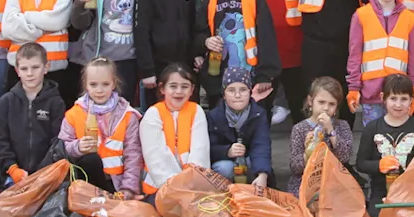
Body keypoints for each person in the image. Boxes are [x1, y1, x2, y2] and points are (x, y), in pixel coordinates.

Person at [195, 0, 280, 107]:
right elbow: (199, 33)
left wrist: (265, 75)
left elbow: (267, 36)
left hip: (252, 77)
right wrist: (206, 42)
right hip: (220, 80)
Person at [347, 0, 414, 127]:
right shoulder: (361, 15)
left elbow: (413, 57)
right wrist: (353, 87)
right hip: (370, 92)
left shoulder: (409, 18)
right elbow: (354, 55)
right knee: (373, 140)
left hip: (399, 93)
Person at [61, 58, 144, 197]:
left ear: (114, 84)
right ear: (85, 85)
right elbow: (62, 150)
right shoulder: (73, 114)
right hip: (85, 183)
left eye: (105, 84)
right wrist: (77, 147)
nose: (99, 90)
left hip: (117, 185)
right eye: (93, 84)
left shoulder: (128, 115)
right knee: (90, 160)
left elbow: (133, 154)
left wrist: (128, 189)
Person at [2, 0, 74, 97]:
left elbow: (57, 22)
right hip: (20, 71)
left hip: (55, 70)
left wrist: (25, 16)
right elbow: (8, 30)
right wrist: (43, 28)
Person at [356, 74, 414, 217]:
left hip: (412, 191)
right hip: (381, 191)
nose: (398, 104)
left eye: (404, 99)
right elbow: (360, 163)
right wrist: (379, 165)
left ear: (411, 100)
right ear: (383, 98)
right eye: (393, 98)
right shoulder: (372, 128)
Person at [0, 42, 67, 185]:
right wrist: (13, 169)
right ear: (17, 71)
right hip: (14, 175)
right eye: (24, 68)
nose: (29, 73)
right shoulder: (5, 102)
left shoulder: (56, 103)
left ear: (46, 67)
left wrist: (43, 172)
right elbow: (1, 141)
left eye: (35, 67)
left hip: (46, 175)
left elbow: (57, 141)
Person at [138, 64, 210, 205]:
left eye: (184, 86)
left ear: (192, 90)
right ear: (162, 89)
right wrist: (176, 190)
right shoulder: (153, 114)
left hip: (193, 188)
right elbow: (156, 156)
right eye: (173, 86)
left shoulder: (197, 111)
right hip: (160, 187)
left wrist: (190, 187)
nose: (179, 91)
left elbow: (200, 151)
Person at [287, 77, 354, 198]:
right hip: (304, 184)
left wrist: (331, 131)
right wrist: (308, 151)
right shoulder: (299, 128)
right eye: (321, 102)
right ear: (310, 101)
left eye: (331, 104)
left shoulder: (342, 126)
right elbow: (295, 167)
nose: (326, 108)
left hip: (334, 183)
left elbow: (344, 157)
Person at [206, 68, 272, 186]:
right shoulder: (214, 116)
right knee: (224, 168)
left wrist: (263, 174)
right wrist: (227, 151)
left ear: (250, 92)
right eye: (231, 90)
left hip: (250, 161)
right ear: (224, 94)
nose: (237, 95)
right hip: (226, 162)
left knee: (256, 166)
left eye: (243, 90)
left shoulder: (258, 114)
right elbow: (209, 148)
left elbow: (261, 145)